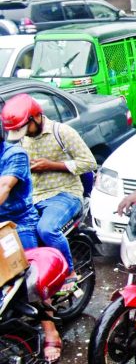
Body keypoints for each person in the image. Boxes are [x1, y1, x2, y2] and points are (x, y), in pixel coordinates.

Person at [3, 93, 95, 290]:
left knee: (46, 229)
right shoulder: (19, 142)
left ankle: (69, 273)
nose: (23, 133)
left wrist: (52, 165)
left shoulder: (62, 132)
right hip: (34, 198)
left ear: (36, 117)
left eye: (24, 128)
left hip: (65, 194)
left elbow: (89, 163)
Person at [0, 98, 62, 364]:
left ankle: (51, 332)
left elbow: (3, 189)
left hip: (16, 224)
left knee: (30, 282)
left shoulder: (14, 154)